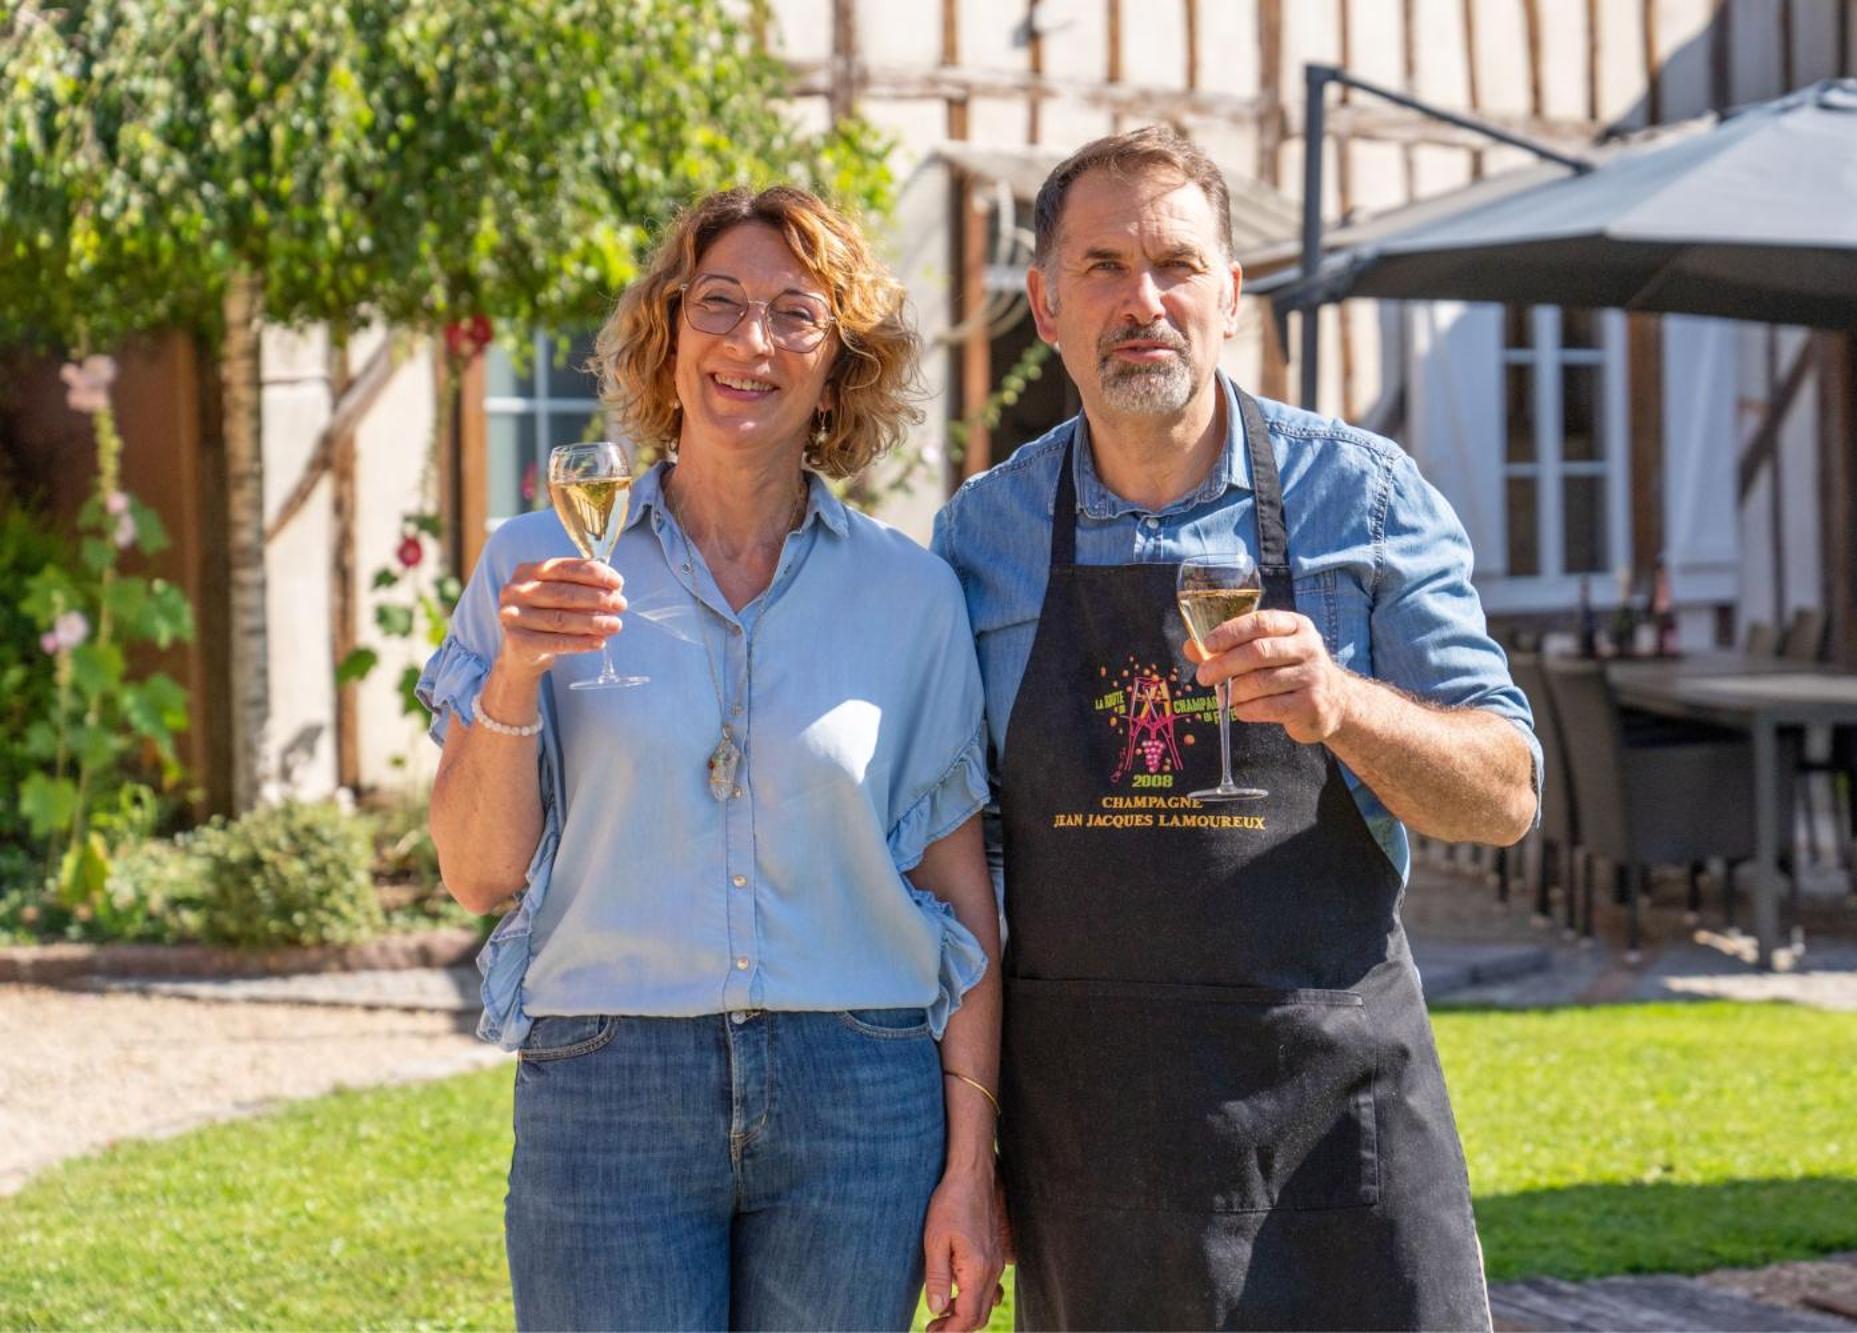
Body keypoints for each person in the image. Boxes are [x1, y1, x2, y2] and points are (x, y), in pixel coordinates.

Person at [931, 127, 1540, 1330]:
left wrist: (1344, 707)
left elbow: (1505, 793)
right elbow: (960, 877)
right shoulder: (981, 540)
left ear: (1230, 294)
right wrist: (966, 1158)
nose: (1140, 300)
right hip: (1090, 1154)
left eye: (1173, 264)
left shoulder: (1358, 497)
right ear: (1044, 306)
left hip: (1336, 1137)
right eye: (1100, 267)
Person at [420, 185, 1003, 1333]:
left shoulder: (910, 594)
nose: (750, 341)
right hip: (609, 1086)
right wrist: (513, 679)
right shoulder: (531, 564)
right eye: (719, 303)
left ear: (838, 364)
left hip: (858, 1097)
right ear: (668, 335)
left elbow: (961, 898)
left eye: (795, 313)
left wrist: (970, 1172)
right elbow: (478, 878)